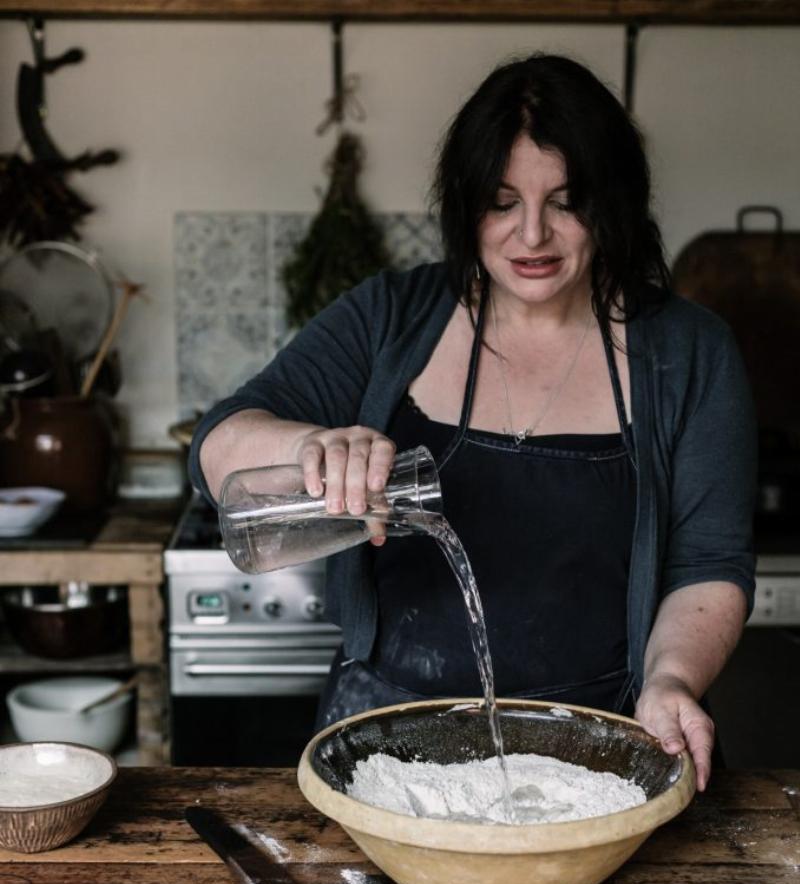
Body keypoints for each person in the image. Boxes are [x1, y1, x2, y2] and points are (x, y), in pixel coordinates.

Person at [190, 53, 756, 792]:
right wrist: (310, 446)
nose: (532, 235)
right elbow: (218, 446)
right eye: (501, 201)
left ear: (612, 202)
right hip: (386, 745)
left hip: (610, 740)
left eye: (566, 200)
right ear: (465, 206)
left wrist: (674, 680)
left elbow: (708, 565)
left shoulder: (689, 351)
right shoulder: (390, 317)